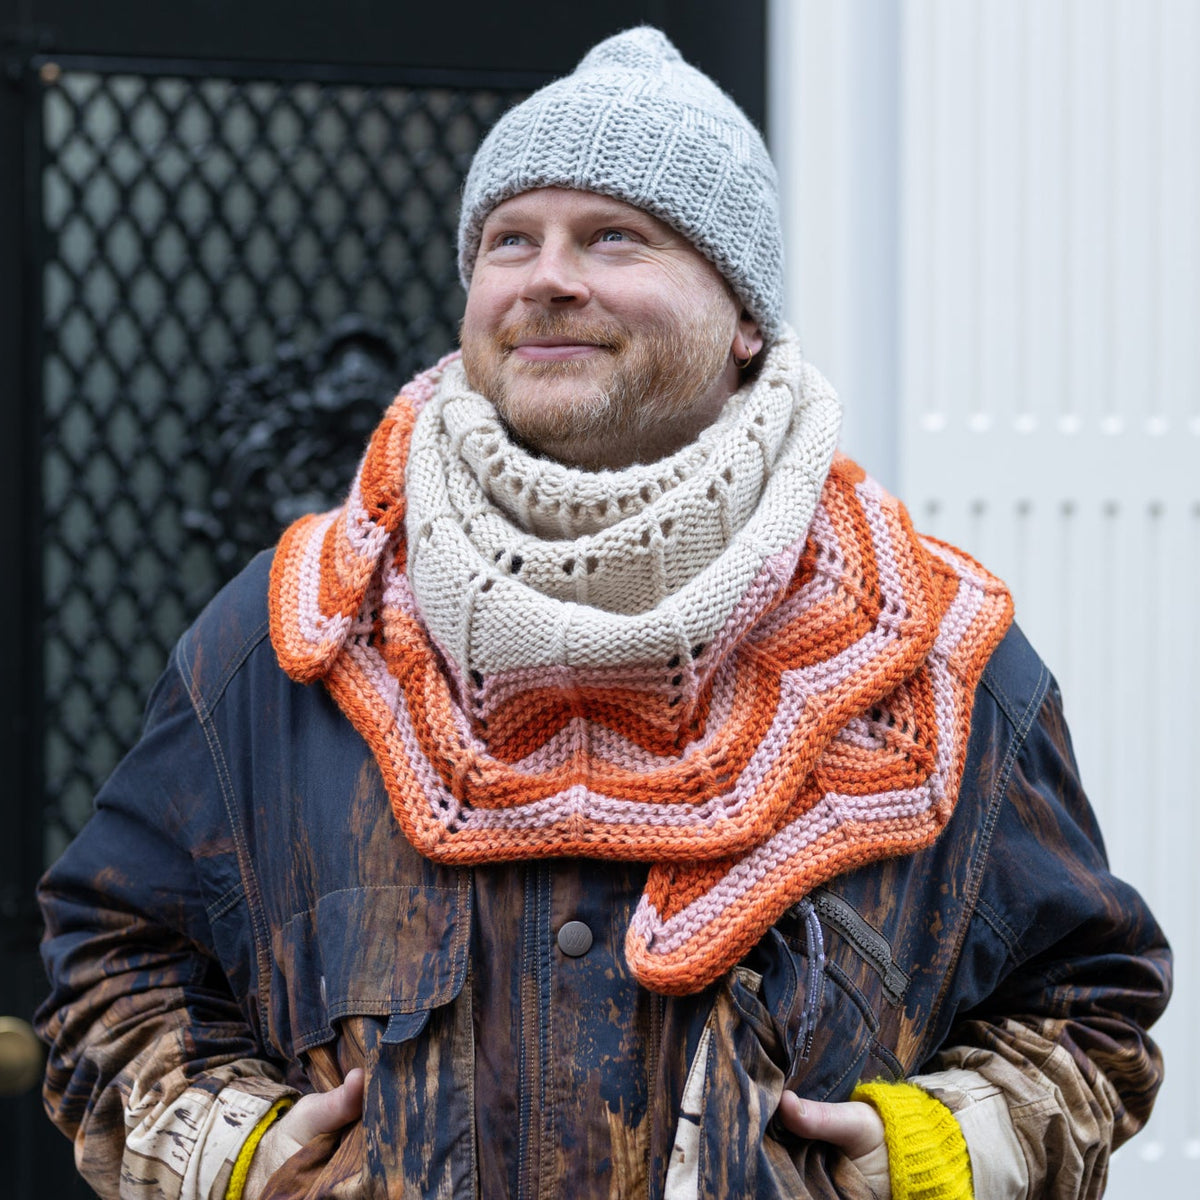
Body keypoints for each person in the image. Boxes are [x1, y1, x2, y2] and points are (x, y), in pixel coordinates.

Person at [36, 27, 1170, 1200]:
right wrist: (235, 1149)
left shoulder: (938, 656)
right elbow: (110, 963)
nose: (546, 278)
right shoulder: (283, 640)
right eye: (508, 241)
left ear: (742, 316)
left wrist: (936, 1153)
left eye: (615, 237)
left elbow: (1088, 1009)